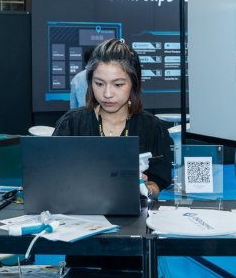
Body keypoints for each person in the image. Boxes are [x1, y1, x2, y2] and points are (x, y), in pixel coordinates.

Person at [54, 38, 173, 198]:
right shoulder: (72, 124)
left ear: (134, 84)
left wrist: (146, 189)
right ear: (90, 83)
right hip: (81, 215)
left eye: (118, 85)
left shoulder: (153, 128)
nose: (107, 94)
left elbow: (157, 183)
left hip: (135, 217)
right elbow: (52, 177)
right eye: (99, 83)